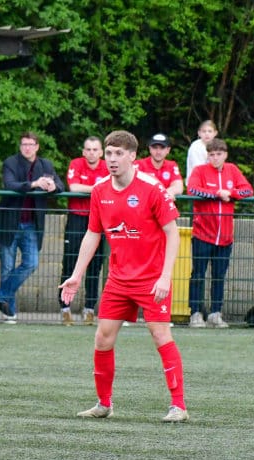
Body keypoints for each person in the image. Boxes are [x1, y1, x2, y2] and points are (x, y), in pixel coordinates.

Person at [60, 130, 189, 423]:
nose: (112, 159)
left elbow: (172, 234)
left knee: (160, 335)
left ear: (132, 156)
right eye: (109, 153)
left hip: (152, 278)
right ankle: (104, 404)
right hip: (118, 280)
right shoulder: (99, 190)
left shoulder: (152, 188)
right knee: (102, 338)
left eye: (119, 153)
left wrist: (165, 277)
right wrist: (76, 275)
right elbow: (93, 234)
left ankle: (178, 406)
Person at [0, 132, 64, 323]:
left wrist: (53, 187)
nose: (27, 148)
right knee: (7, 268)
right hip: (9, 223)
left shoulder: (45, 165)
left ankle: (0, 298)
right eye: (24, 144)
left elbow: (61, 185)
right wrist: (34, 184)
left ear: (37, 146)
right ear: (20, 146)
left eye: (31, 144)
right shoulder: (11, 162)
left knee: (31, 263)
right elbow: (10, 184)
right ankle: (9, 312)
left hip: (31, 224)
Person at [186, 138, 254, 328]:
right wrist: (217, 193)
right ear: (207, 155)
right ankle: (195, 313)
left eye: (219, 154)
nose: (215, 158)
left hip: (225, 237)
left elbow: (247, 190)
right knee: (198, 274)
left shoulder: (232, 170)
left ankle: (215, 313)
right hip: (202, 234)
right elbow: (192, 189)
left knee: (219, 276)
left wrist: (231, 193)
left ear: (225, 155)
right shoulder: (199, 171)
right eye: (212, 154)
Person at [59, 136, 109, 326]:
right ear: (83, 151)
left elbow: (113, 186)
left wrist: (91, 189)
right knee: (70, 263)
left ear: (101, 152)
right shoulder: (76, 164)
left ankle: (89, 309)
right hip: (77, 218)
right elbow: (74, 187)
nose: (91, 153)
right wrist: (98, 188)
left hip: (99, 220)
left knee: (95, 266)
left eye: (95, 149)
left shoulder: (107, 166)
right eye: (88, 149)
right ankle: (65, 308)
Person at [136, 133, 184, 199]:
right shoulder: (139, 165)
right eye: (155, 148)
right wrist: (163, 195)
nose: (158, 152)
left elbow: (178, 187)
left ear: (168, 150)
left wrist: (169, 192)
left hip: (165, 205)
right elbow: (133, 187)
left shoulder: (172, 165)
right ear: (150, 149)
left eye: (162, 148)